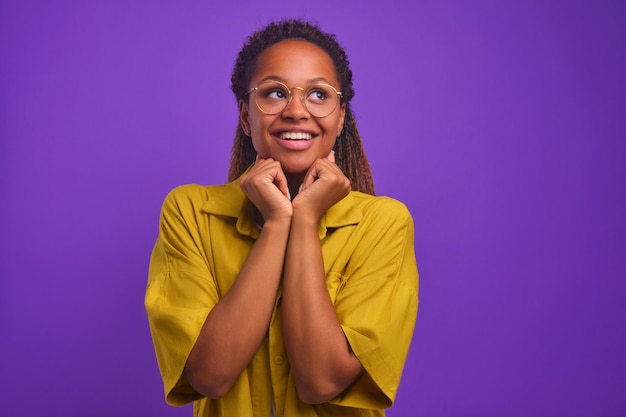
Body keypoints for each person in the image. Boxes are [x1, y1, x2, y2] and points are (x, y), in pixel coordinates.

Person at [145, 19, 419, 417]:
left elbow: (321, 380)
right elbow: (209, 376)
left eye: (318, 95)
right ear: (245, 115)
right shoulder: (189, 212)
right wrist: (276, 224)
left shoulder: (384, 224)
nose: (296, 111)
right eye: (275, 93)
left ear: (340, 118)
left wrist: (305, 219)